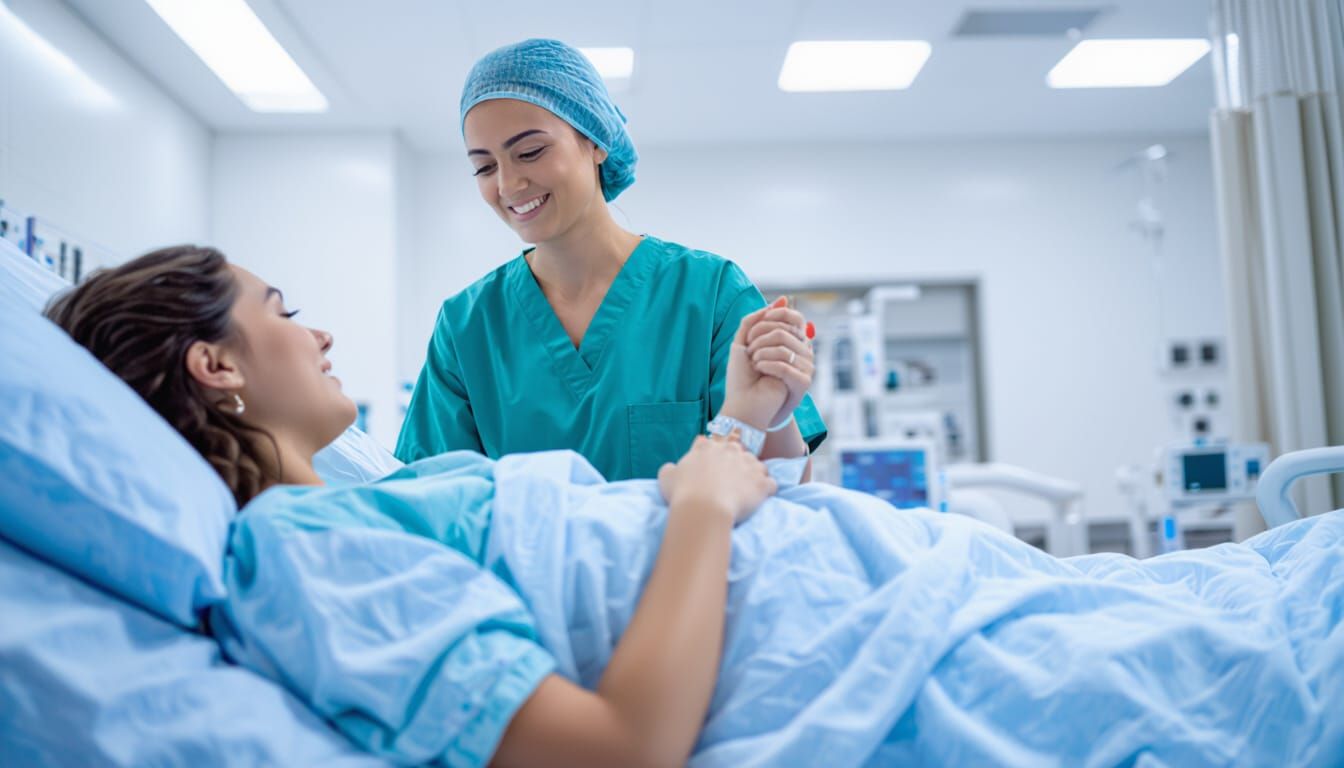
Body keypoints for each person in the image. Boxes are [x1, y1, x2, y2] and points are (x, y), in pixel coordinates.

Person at [47, 246, 1342, 767]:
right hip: (901, 656)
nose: (316, 330)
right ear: (214, 366)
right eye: (281, 311)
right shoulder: (295, 554)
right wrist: (711, 500)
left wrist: (743, 428)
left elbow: (606, 558)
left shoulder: (380, 501)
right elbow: (614, 750)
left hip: (914, 592)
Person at [396, 38, 826, 480]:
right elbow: (428, 496)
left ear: (596, 141)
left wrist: (775, 414)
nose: (507, 185)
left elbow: (787, 491)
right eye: (485, 167)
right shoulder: (468, 326)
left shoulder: (709, 293)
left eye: (530, 152)